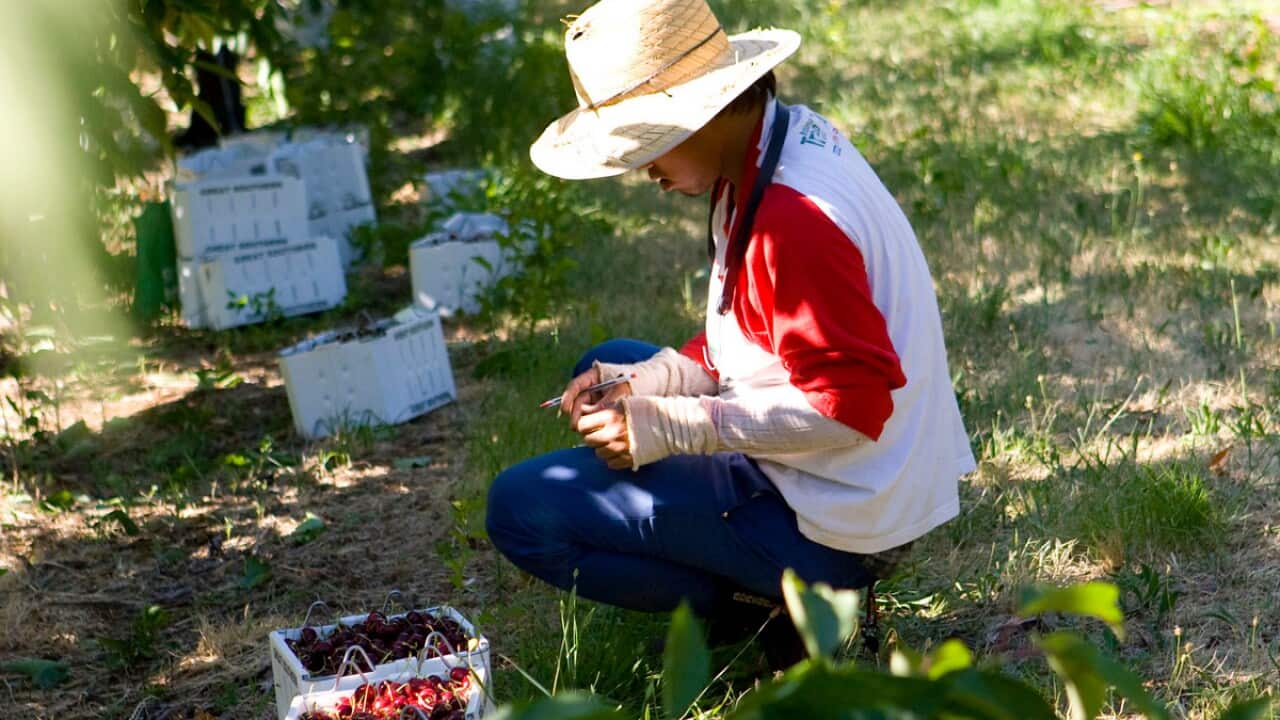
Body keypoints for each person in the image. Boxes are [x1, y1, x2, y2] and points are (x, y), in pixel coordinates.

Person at [485, 0, 975, 669]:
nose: (641, 171)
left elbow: (850, 408)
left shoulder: (790, 221)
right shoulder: (768, 147)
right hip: (839, 475)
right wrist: (652, 384)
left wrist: (678, 426)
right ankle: (759, 583)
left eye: (644, 144)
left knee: (518, 509)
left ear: (701, 112)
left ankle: (777, 609)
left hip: (843, 521)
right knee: (609, 368)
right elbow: (744, 332)